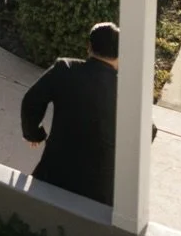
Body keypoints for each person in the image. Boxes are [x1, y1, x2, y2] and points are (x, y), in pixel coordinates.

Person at [20, 20, 121, 206]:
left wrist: (34, 133)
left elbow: (31, 101)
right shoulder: (127, 89)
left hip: (55, 170)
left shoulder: (65, 69)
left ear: (88, 47)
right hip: (101, 186)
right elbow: (148, 132)